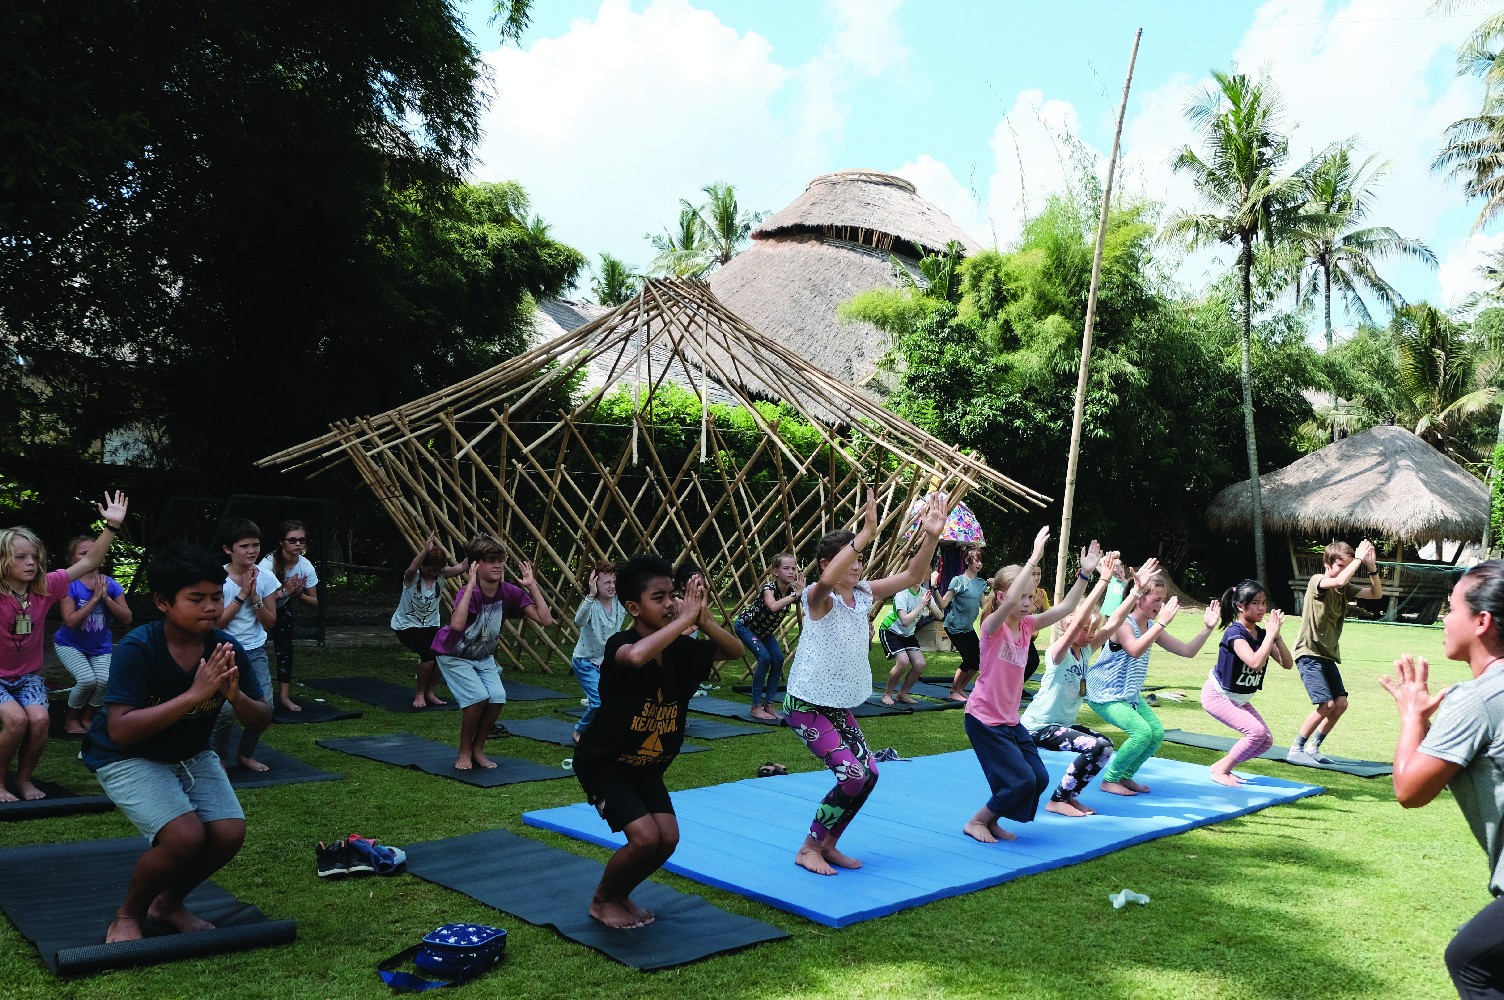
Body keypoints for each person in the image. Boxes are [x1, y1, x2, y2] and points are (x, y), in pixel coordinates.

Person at [81, 544, 271, 944]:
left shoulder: (226, 648)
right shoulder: (139, 646)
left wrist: (236, 698)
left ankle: (167, 904)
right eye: (196, 599)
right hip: (124, 754)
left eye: (216, 597)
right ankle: (128, 914)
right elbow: (120, 730)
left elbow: (262, 719)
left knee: (228, 832)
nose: (209, 607)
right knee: (184, 836)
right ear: (164, 602)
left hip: (188, 752)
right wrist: (194, 695)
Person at [572, 557, 742, 929]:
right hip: (605, 763)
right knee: (645, 839)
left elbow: (735, 652)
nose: (670, 604)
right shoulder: (623, 643)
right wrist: (684, 621)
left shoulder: (680, 651)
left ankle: (620, 895)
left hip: (647, 766)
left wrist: (704, 620)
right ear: (633, 607)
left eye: (674, 596)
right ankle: (602, 901)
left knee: (667, 839)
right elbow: (633, 657)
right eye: (659, 597)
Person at [786, 488, 947, 876]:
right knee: (852, 773)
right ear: (831, 561)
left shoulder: (863, 592)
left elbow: (913, 575)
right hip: (805, 705)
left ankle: (828, 844)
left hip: (835, 704)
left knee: (870, 773)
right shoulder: (816, 596)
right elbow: (825, 580)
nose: (858, 564)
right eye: (852, 557)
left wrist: (931, 535)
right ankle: (808, 847)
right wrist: (864, 535)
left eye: (859, 557)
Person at [1381, 562, 1504, 999]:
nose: (1443, 620)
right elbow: (1461, 762)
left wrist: (1412, 717)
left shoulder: (1476, 698)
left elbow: (1410, 790)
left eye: (1451, 609)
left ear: (1481, 621)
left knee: (1471, 961)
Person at [961, 527, 1103, 843]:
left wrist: (1084, 574)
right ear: (1001, 598)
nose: (1027, 604)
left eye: (1030, 597)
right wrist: (1034, 557)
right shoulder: (992, 627)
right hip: (984, 719)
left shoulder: (1027, 626)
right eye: (1021, 597)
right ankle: (976, 822)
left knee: (1037, 777)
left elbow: (1065, 609)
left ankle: (993, 820)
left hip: (1010, 720)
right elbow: (1010, 597)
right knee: (1020, 779)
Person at [0, 492, 129, 802]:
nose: (31, 562)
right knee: (17, 721)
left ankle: (24, 780)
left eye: (34, 556)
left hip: (28, 675)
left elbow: (89, 561)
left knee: (41, 720)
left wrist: (110, 527)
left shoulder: (46, 587)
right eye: (21, 557)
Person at [1022, 556, 1159, 817]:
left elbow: (1116, 621)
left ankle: (1069, 797)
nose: (1091, 634)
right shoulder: (1058, 653)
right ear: (1068, 627)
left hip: (1063, 725)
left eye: (1093, 630)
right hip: (1039, 726)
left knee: (1104, 744)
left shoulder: (1085, 651)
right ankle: (1058, 800)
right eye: (1086, 629)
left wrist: (1137, 592)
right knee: (1095, 746)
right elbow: (1076, 622)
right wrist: (1103, 580)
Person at [1086, 576, 1220, 795]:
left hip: (1129, 695)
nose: (1161, 605)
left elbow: (1187, 651)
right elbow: (1135, 649)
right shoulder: (1124, 624)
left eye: (1163, 600)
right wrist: (1161, 624)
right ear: (1139, 598)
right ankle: (1109, 780)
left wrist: (1207, 628)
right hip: (1105, 693)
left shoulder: (1150, 626)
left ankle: (1125, 775)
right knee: (1141, 733)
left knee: (1155, 733)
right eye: (1157, 599)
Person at [433, 534, 552, 770]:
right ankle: (464, 751)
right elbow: (456, 626)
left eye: (500, 559)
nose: (497, 564)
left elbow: (545, 619)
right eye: (490, 560)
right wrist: (469, 585)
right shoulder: (471, 593)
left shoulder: (510, 592)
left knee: (497, 698)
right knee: (478, 699)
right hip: (453, 654)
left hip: (481, 655)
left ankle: (478, 749)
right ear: (477, 564)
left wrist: (532, 585)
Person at [1290, 539, 1383, 764]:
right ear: (1327, 563)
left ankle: (1314, 748)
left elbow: (1376, 594)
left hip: (1327, 655)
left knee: (1340, 703)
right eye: (1340, 565)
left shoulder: (1344, 589)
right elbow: (1339, 579)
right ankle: (1296, 749)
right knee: (1326, 705)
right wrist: (1359, 559)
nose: (1344, 571)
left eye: (1347, 565)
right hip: (1309, 653)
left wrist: (1371, 567)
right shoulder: (1317, 581)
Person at [1201, 579, 1293, 786]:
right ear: (1240, 606)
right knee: (1255, 733)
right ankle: (1221, 772)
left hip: (1239, 698)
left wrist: (1276, 637)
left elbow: (1287, 664)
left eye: (1263, 603)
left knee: (1265, 740)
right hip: (1218, 696)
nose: (1262, 608)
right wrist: (1269, 636)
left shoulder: (1261, 634)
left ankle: (1221, 766)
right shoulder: (1235, 633)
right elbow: (1254, 663)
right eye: (1256, 603)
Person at [208, 518, 279, 773]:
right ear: (229, 549)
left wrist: (256, 597)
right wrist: (241, 595)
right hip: (222, 650)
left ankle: (246, 754)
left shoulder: (267, 577)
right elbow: (216, 624)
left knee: (265, 708)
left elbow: (270, 622)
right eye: (245, 546)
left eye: (256, 545)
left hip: (255, 650)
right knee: (225, 711)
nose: (252, 551)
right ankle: (217, 758)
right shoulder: (217, 578)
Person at [54, 534, 134, 735]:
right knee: (86, 680)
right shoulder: (69, 584)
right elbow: (70, 621)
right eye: (83, 553)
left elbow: (127, 618)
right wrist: (94, 599)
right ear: (71, 560)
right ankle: (71, 720)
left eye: (94, 552)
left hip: (100, 647)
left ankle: (87, 718)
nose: (90, 556)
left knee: (104, 682)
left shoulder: (110, 584)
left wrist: (106, 598)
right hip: (69, 644)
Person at [391, 532, 468, 709]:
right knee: (427, 656)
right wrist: (425, 551)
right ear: (423, 565)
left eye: (437, 570)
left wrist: (475, 547)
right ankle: (419, 693)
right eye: (430, 569)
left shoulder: (440, 576)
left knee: (442, 655)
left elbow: (463, 566)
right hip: (406, 625)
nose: (433, 572)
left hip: (430, 624)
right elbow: (412, 568)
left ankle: (430, 692)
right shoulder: (412, 577)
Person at [733, 553, 803, 721]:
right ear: (775, 572)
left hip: (764, 632)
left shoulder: (793, 591)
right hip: (746, 627)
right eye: (786, 568)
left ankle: (769, 705)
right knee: (764, 658)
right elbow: (772, 606)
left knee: (778, 659)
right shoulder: (769, 589)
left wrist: (800, 593)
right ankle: (756, 707)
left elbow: (811, 598)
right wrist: (795, 595)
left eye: (793, 568)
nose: (791, 572)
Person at [258, 520, 319, 713]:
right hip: (257, 609)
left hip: (282, 607)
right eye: (292, 540)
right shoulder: (267, 564)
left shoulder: (305, 565)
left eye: (302, 540)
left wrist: (299, 594)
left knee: (285, 649)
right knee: (253, 648)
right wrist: (286, 590)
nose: (298, 544)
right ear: (281, 542)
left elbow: (314, 602)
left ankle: (284, 696)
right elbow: (258, 596)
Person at [571, 560, 623, 743]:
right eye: (606, 582)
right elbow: (578, 621)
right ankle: (579, 730)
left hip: (607, 661)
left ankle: (602, 731)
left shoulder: (619, 602)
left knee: (616, 699)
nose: (612, 586)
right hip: (585, 661)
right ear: (594, 584)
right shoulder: (591, 605)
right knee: (599, 702)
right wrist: (591, 595)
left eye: (614, 581)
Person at [878, 579, 943, 706]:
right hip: (891, 631)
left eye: (923, 573)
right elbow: (905, 621)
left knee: (920, 664)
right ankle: (887, 694)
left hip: (908, 633)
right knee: (903, 661)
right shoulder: (902, 593)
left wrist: (929, 604)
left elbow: (940, 616)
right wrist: (922, 604)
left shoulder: (924, 593)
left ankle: (902, 694)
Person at [941, 545, 988, 701]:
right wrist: (934, 587)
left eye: (981, 560)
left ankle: (960, 689)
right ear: (968, 560)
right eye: (976, 559)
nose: (979, 563)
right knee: (969, 659)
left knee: (978, 661)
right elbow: (943, 603)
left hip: (967, 628)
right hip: (954, 627)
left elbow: (985, 604)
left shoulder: (981, 583)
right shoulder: (958, 581)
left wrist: (995, 588)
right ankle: (953, 691)